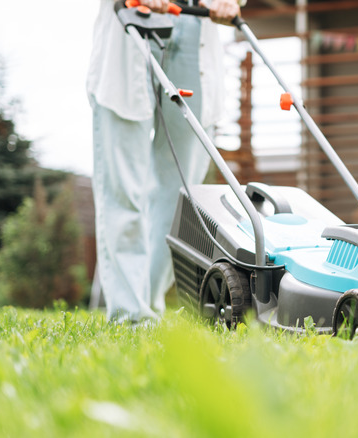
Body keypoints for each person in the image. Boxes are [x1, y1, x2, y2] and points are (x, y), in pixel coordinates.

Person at [87, 0, 244, 323]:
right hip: (128, 22)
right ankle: (131, 314)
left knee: (182, 197)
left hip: (195, 23)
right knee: (123, 187)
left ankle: (146, 300)